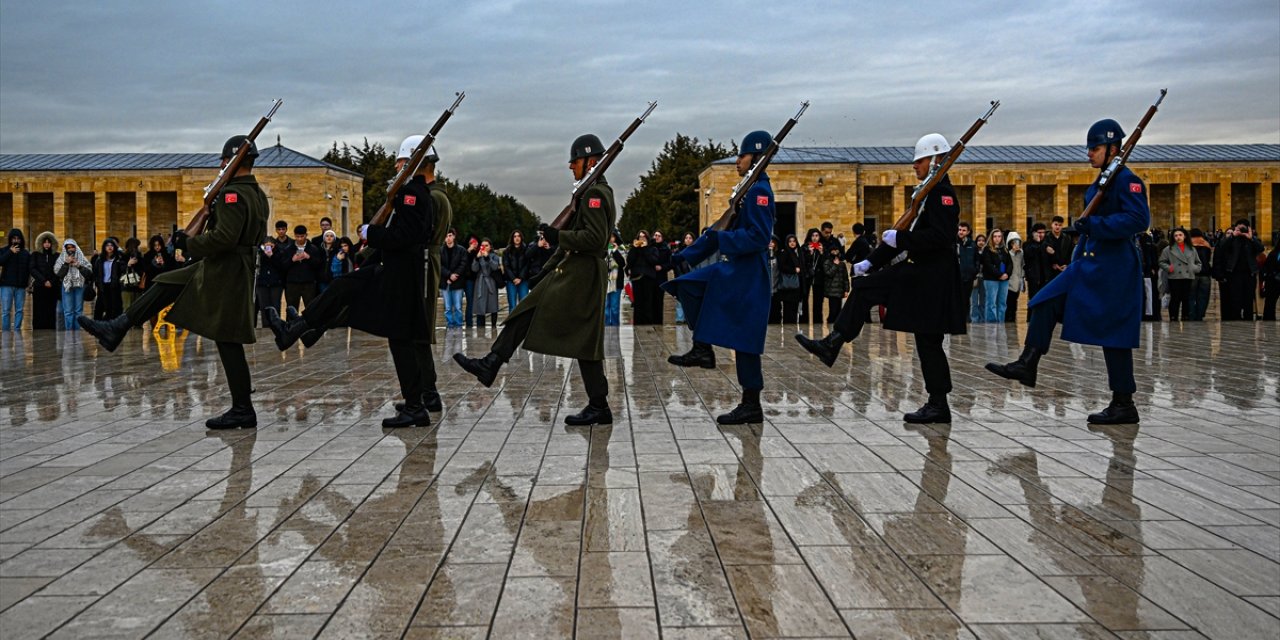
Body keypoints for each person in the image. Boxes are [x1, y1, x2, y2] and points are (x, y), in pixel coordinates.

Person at [79, 135, 269, 429]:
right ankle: (118, 326)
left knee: (227, 338)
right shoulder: (255, 193)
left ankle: (243, 408)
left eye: (224, 160)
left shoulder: (233, 195)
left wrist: (189, 244)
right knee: (167, 280)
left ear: (231, 161)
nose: (220, 165)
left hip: (227, 270)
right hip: (226, 267)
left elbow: (225, 238)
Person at [267, 137, 450, 428]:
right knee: (349, 293)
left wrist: (371, 233)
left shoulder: (414, 193)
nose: (396, 166)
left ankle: (417, 405)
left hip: (401, 275)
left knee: (399, 337)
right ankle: (298, 328)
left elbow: (406, 237)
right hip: (395, 270)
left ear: (411, 163)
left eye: (401, 162)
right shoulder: (412, 192)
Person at [986, 119, 1150, 424]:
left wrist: (1096, 225)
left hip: (1114, 269)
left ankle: (1123, 403)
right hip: (1088, 266)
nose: (1089, 153)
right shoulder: (1103, 181)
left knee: (1115, 336)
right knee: (1044, 300)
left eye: (1095, 148)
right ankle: (1028, 362)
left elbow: (1139, 220)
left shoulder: (1127, 180)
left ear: (1114, 149)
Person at [795, 132, 966, 423]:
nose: (915, 166)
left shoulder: (942, 195)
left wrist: (901, 239)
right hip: (924, 273)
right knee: (926, 340)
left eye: (921, 160)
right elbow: (902, 235)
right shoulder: (927, 192)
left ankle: (833, 343)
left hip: (932, 276)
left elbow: (940, 237)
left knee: (916, 331)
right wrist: (870, 261)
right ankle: (939, 404)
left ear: (937, 160)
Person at [453, 133, 615, 426]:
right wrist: (546, 269)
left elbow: (595, 238)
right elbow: (575, 242)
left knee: (558, 325)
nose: (570, 166)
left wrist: (556, 237)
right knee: (579, 336)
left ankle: (492, 363)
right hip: (573, 271)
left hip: (582, 274)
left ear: (591, 161)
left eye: (575, 160)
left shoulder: (595, 195)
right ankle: (598, 404)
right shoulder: (589, 192)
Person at [664, 130, 776, 424]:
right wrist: (686, 256)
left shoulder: (760, 192)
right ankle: (703, 349)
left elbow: (759, 237)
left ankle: (751, 404)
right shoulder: (748, 190)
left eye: (743, 155)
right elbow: (717, 231)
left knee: (746, 341)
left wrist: (725, 240)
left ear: (757, 158)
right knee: (685, 284)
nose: (737, 160)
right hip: (736, 271)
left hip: (750, 274)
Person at [1213, 219, 1263, 321]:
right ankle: (1236, 319)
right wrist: (1233, 235)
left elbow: (1261, 248)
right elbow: (1221, 247)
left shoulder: (1251, 240)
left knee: (1249, 299)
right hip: (1234, 274)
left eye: (1243, 227)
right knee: (1235, 299)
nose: (1241, 230)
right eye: (1239, 227)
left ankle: (1248, 319)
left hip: (1250, 274)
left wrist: (1251, 237)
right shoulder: (1232, 240)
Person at [277, 224, 324, 310]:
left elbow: (318, 265)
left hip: (309, 283)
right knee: (291, 309)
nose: (299, 239)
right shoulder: (289, 249)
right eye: (297, 236)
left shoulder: (313, 249)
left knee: (310, 308)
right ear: (294, 235)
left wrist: (308, 257)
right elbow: (283, 266)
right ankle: (291, 324)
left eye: (302, 236)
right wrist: (292, 260)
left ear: (306, 235)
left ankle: (309, 324)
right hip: (292, 283)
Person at [1159, 228, 1200, 321]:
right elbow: (1161, 262)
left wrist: (1194, 268)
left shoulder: (1192, 249)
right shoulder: (1168, 249)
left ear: (1185, 236)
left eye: (1180, 235)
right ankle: (1173, 317)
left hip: (1188, 276)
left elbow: (1198, 263)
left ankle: (1185, 316)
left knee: (1186, 298)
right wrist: (1169, 268)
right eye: (1176, 235)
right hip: (1174, 277)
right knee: (1175, 298)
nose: (1178, 237)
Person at [54, 239, 92, 330]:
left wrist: (79, 266)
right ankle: (69, 331)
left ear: (76, 247)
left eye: (72, 247)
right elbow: (59, 274)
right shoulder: (61, 258)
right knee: (68, 311)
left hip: (80, 285)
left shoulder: (82, 257)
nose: (70, 249)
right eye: (68, 247)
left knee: (78, 311)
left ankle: (77, 331)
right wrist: (66, 264)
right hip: (67, 286)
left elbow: (89, 273)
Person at [28, 232, 60, 330]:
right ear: (41, 243)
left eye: (48, 242)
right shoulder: (35, 255)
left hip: (52, 286)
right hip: (39, 286)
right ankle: (38, 327)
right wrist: (44, 281)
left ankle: (50, 326)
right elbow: (32, 269)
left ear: (52, 243)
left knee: (51, 308)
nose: (47, 244)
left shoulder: (56, 255)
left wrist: (51, 281)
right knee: (39, 308)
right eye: (45, 242)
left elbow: (58, 270)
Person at [0, 228, 30, 331]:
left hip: (20, 286)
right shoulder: (4, 250)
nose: (16, 241)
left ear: (21, 240)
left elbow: (28, 270)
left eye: (18, 239)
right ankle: (5, 331)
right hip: (6, 285)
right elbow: (1, 262)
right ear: (10, 239)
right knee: (5, 310)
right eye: (14, 238)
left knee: (19, 310)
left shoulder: (25, 253)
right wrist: (10, 252)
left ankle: (17, 329)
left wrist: (28, 284)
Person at [981, 229, 1012, 323]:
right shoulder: (987, 249)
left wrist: (1007, 274)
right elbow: (988, 265)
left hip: (1004, 280)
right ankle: (992, 323)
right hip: (991, 279)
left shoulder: (1005, 249)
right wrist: (1000, 274)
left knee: (1002, 302)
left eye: (999, 236)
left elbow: (1010, 263)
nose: (997, 238)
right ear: (991, 237)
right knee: (991, 303)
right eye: (995, 236)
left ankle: (1000, 321)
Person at [90, 238, 125, 321]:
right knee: (101, 305)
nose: (109, 247)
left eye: (111, 245)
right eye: (107, 245)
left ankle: (114, 323)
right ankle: (98, 323)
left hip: (114, 286)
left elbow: (122, 270)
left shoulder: (118, 258)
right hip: (103, 286)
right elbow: (96, 272)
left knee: (115, 306)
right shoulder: (100, 259)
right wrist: (97, 283)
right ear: (104, 247)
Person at [470, 238, 501, 327]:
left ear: (490, 247)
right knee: (481, 304)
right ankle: (481, 326)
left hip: (491, 281)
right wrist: (476, 258)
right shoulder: (478, 256)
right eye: (483, 245)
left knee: (493, 304)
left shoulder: (494, 256)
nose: (484, 247)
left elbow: (495, 267)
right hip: (480, 282)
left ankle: (493, 325)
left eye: (486, 245)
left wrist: (487, 257)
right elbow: (474, 269)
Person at [440, 229, 467, 328]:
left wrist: (454, 275)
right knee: (447, 307)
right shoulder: (440, 250)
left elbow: (463, 264)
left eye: (450, 235)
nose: (448, 238)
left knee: (458, 307)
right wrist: (449, 275)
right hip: (445, 282)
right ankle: (450, 324)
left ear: (454, 236)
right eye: (446, 236)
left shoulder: (461, 250)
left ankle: (459, 324)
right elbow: (439, 265)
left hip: (457, 282)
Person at [776, 234, 804, 323]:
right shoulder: (785, 252)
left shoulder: (797, 252)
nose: (792, 243)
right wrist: (793, 270)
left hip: (795, 285)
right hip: (788, 285)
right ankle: (789, 326)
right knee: (788, 307)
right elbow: (781, 266)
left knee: (794, 307)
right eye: (790, 241)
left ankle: (793, 325)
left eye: (794, 241)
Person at [1188, 228, 1214, 321]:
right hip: (1205, 273)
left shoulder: (1188, 245)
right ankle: (1200, 315)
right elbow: (1208, 259)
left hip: (1192, 274)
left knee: (1191, 296)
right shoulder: (1206, 244)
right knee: (1203, 296)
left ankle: (1191, 314)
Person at [502, 230, 530, 314]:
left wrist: (520, 278)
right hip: (511, 281)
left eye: (518, 236)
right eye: (515, 236)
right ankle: (511, 325)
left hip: (523, 280)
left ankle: (523, 325)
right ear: (512, 238)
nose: (517, 238)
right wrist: (513, 278)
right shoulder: (507, 251)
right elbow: (506, 266)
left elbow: (527, 265)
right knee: (512, 305)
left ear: (521, 238)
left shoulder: (526, 249)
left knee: (523, 304)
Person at [800, 227, 823, 323]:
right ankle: (804, 319)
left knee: (818, 299)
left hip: (818, 276)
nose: (814, 238)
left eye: (817, 236)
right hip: (807, 275)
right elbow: (802, 261)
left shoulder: (821, 246)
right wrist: (810, 253)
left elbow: (824, 263)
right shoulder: (804, 247)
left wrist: (821, 253)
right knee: (805, 297)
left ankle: (818, 320)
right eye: (813, 236)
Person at [956, 222, 978, 322]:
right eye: (960, 230)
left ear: (968, 232)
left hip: (968, 277)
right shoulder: (954, 243)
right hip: (956, 277)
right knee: (956, 299)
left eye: (964, 230)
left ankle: (966, 319)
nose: (961, 232)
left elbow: (976, 260)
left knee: (966, 299)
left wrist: (974, 271)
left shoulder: (972, 245)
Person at [821, 244, 848, 320]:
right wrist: (835, 265)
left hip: (840, 291)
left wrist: (846, 290)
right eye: (833, 250)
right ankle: (830, 324)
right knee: (833, 311)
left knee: (839, 311)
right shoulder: (827, 262)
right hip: (831, 291)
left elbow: (845, 278)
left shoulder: (842, 263)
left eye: (836, 250)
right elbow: (828, 273)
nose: (835, 252)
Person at [1044, 215, 1073, 282]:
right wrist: (1052, 264)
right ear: (1052, 225)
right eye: (1056, 224)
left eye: (1060, 225)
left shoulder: (1067, 238)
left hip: (1064, 269)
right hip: (1051, 271)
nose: (1057, 227)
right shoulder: (1046, 238)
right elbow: (1043, 255)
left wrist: (1067, 265)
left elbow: (1070, 253)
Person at [605, 230, 626, 326]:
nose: (611, 239)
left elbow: (623, 263)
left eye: (613, 236)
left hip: (616, 282)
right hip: (605, 282)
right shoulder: (603, 248)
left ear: (616, 238)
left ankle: (615, 328)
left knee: (614, 308)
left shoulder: (621, 248)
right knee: (605, 308)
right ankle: (605, 328)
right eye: (609, 236)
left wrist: (615, 251)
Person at [1023, 223, 1047, 300]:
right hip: (1034, 278)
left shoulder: (1046, 243)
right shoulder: (1027, 244)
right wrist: (1037, 242)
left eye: (1043, 232)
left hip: (1045, 277)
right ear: (1034, 233)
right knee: (1033, 299)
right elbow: (1029, 254)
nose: (1042, 235)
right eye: (1039, 233)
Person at [1005, 232, 1025, 322]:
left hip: (1017, 281)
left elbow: (1022, 266)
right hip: (1009, 282)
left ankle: (1013, 318)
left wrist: (1022, 278)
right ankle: (1007, 318)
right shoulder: (1007, 254)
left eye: (1018, 242)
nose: (1016, 244)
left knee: (1014, 302)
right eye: (1014, 242)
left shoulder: (1021, 254)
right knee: (1008, 302)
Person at [120, 238, 145, 310]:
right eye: (137, 246)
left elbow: (144, 270)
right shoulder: (123, 257)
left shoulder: (140, 258)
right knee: (127, 308)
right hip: (127, 287)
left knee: (138, 308)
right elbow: (120, 270)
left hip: (138, 286)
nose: (138, 249)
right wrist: (128, 264)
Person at [970, 233, 987, 322]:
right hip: (975, 278)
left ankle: (982, 318)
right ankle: (974, 318)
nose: (981, 242)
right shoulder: (973, 251)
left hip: (984, 278)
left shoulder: (987, 252)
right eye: (979, 240)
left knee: (983, 300)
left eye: (983, 241)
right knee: (974, 300)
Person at [1262, 241, 1280, 321]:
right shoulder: (1274, 253)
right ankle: (1269, 320)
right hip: (1273, 281)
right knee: (1270, 303)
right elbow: (1267, 267)